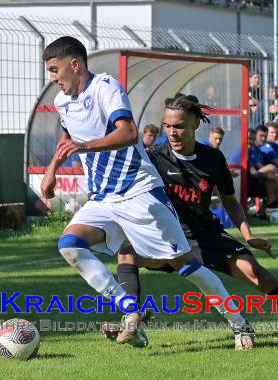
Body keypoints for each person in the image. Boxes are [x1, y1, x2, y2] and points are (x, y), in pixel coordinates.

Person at [104, 93, 278, 348]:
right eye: (168, 126)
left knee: (259, 275)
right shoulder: (153, 156)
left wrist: (248, 234)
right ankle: (133, 322)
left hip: (205, 236)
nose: (172, 133)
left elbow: (230, 201)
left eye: (179, 126)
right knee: (127, 254)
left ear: (195, 124)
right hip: (168, 237)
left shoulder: (213, 159)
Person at [40, 37, 249, 346]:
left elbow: (128, 132)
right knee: (70, 245)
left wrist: (83, 146)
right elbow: (68, 137)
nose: (53, 79)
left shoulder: (105, 87)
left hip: (139, 192)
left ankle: (240, 324)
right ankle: (130, 313)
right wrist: (52, 170)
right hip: (103, 199)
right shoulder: (61, 102)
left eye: (55, 70)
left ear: (75, 65)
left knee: (187, 267)